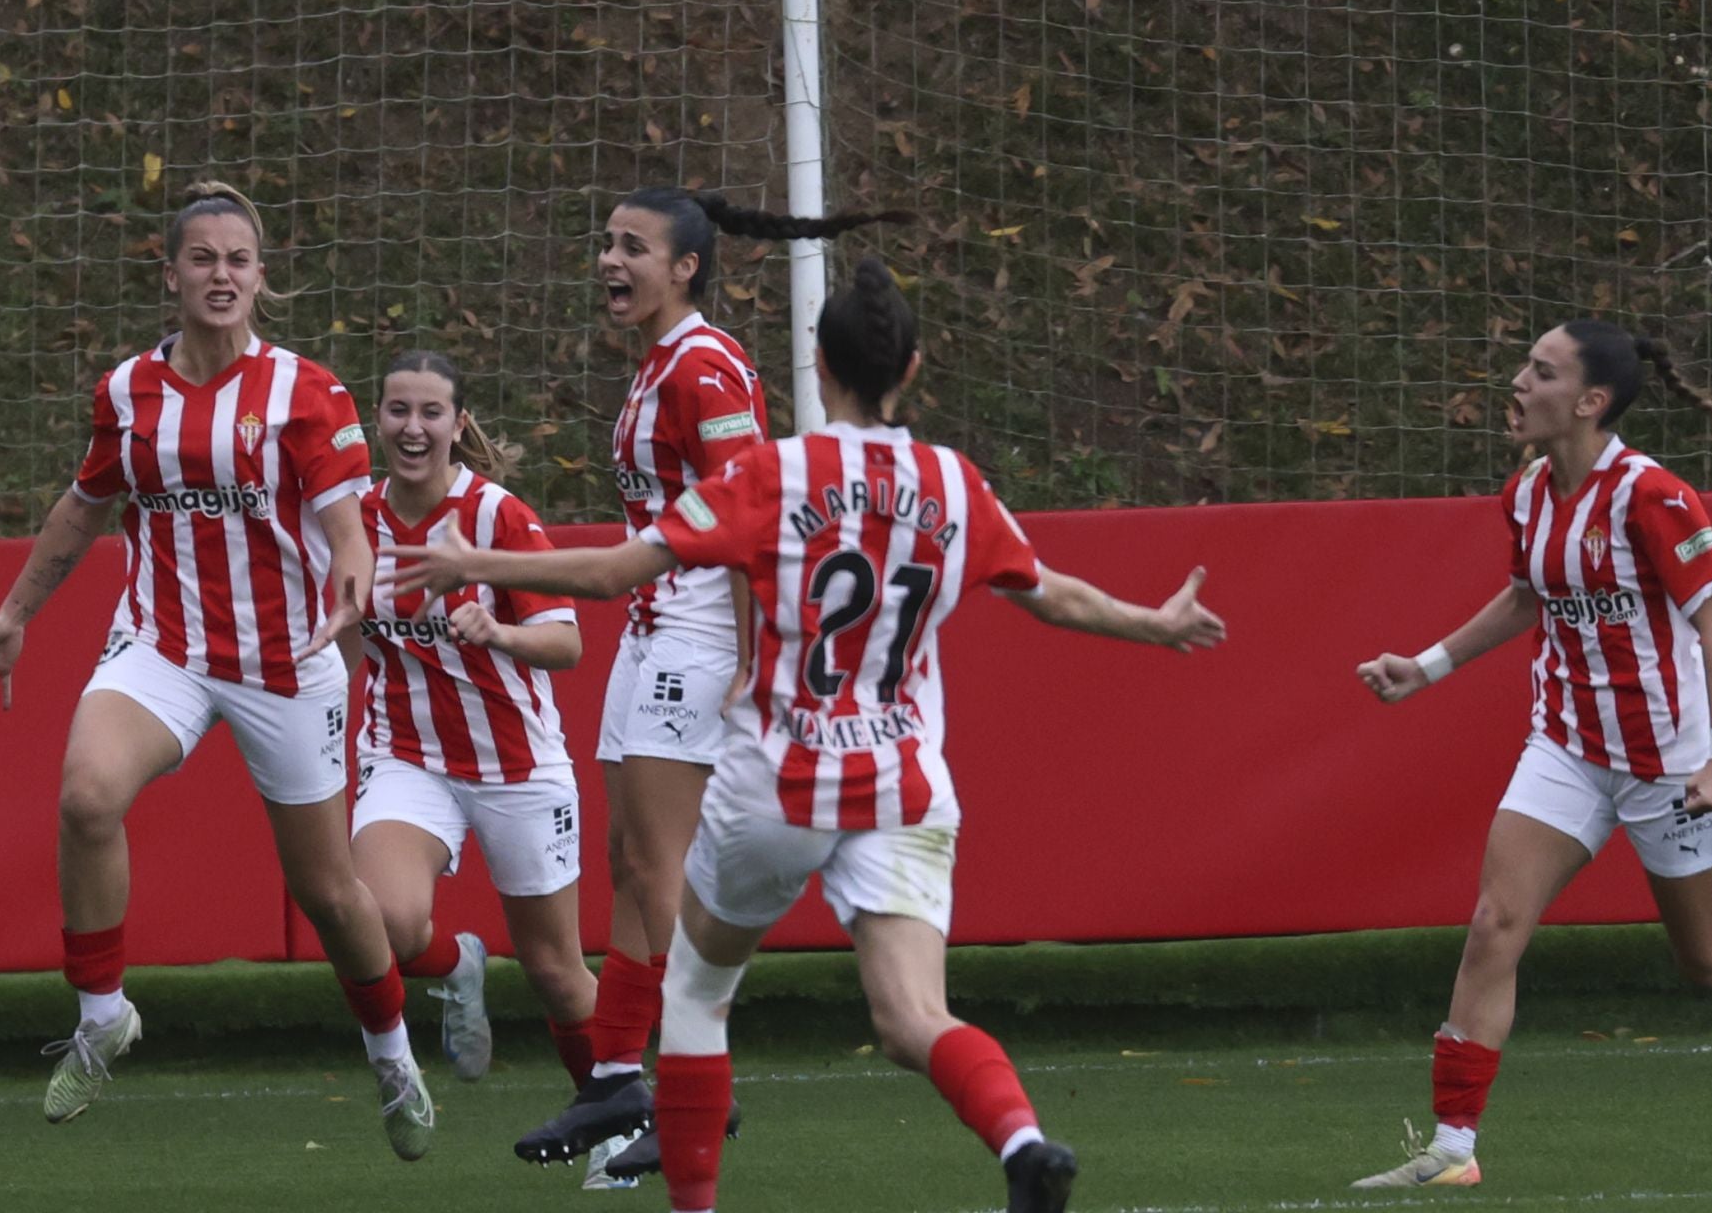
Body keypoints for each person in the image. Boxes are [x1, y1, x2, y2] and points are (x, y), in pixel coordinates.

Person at [381, 257, 1226, 1213]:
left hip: (780, 783)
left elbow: (617, 571)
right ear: (911, 370)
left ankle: (689, 1196)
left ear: (815, 370)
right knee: (913, 1016)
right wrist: (1154, 623)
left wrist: (469, 560)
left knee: (697, 996)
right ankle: (1021, 1140)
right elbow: (1050, 593)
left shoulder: (771, 474)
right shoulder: (952, 483)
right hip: (904, 788)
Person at [0, 181, 435, 1161]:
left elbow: (345, 523)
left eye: (238, 259)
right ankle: (103, 1014)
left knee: (332, 892)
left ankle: (392, 1054)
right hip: (163, 646)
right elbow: (86, 504)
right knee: (85, 795)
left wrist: (351, 586)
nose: (222, 275)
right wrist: (13, 615)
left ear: (261, 276)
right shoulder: (128, 392)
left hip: (286, 661)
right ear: (170, 275)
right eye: (202, 258)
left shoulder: (308, 390)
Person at [1349, 320, 1712, 1188]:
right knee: (1493, 926)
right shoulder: (1529, 491)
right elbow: (1525, 598)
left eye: (1539, 372)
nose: (1516, 383)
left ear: (1589, 402)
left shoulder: (1652, 495)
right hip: (1568, 746)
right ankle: (1451, 1152)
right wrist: (1425, 666)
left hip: (1672, 762)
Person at [508, 187, 910, 1174]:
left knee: (666, 867)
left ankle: (673, 1083)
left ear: (687, 265)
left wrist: (751, 656)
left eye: (633, 246)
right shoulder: (660, 366)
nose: (611, 260)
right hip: (653, 632)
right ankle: (620, 1078)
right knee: (635, 861)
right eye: (605, 243)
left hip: (697, 634)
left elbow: (750, 520)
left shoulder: (708, 363)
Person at [349, 351, 619, 1170]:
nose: (413, 428)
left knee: (556, 970)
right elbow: (343, 622)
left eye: (432, 413)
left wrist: (498, 631)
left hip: (516, 766)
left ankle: (620, 1122)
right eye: (398, 410)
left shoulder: (496, 514)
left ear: (459, 425)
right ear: (378, 420)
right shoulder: (350, 517)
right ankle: (456, 963)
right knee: (382, 923)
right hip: (405, 757)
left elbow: (567, 642)